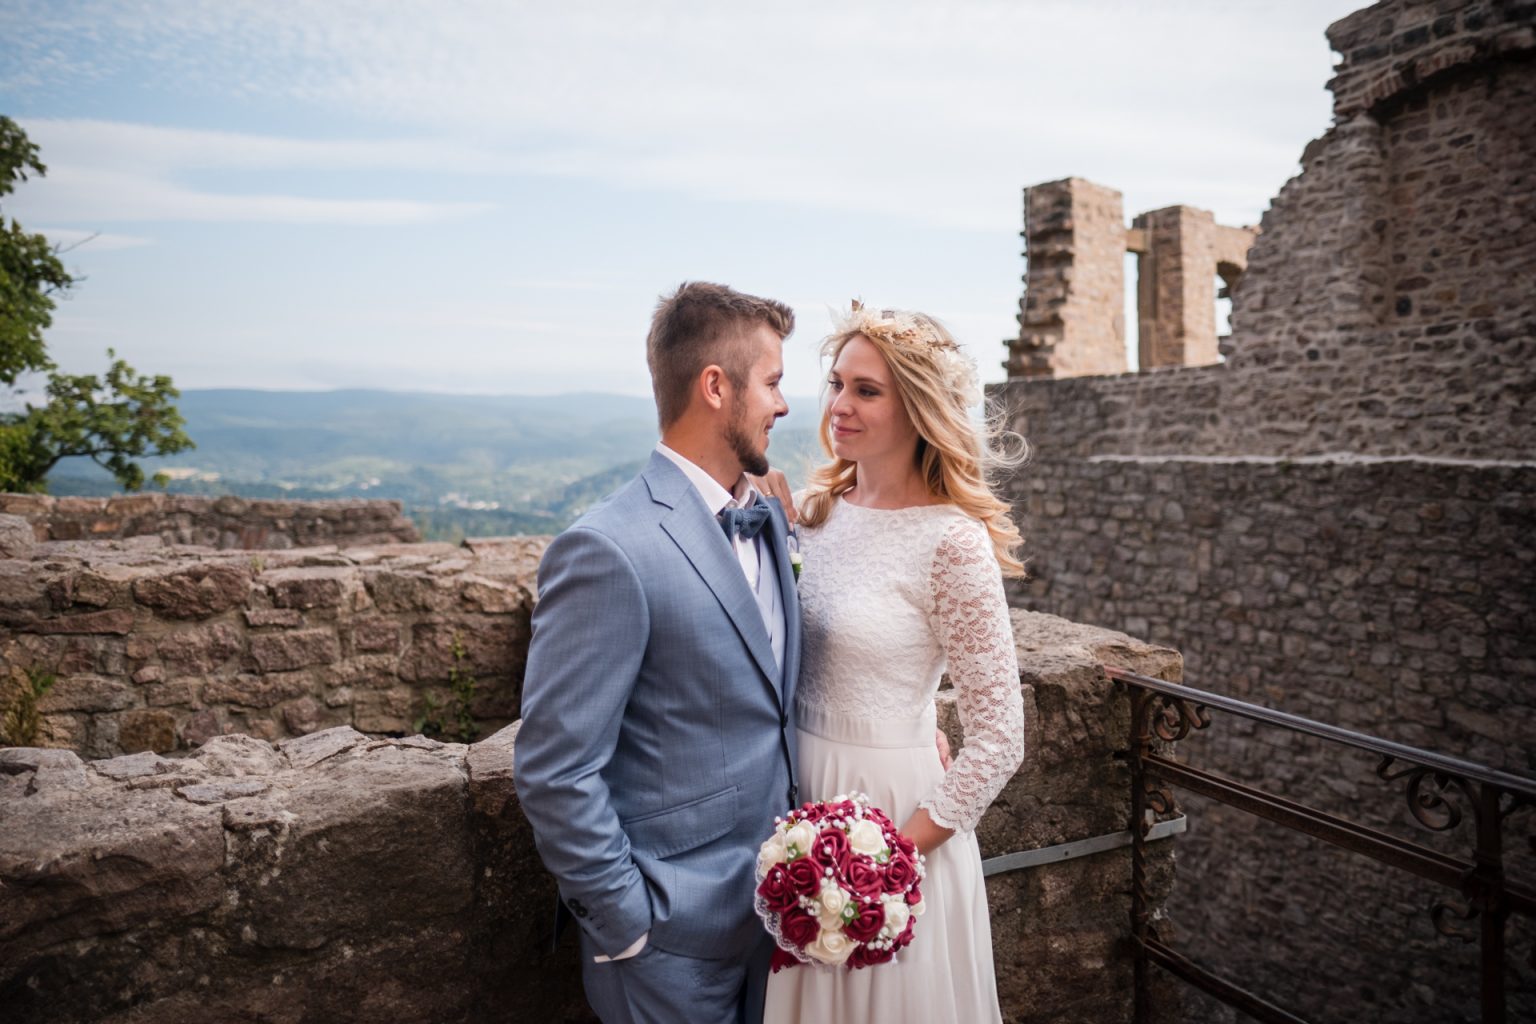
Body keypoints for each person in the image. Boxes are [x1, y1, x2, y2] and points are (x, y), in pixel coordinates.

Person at [760, 303, 1027, 1023]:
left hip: (892, 826)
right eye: (837, 383)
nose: (839, 405)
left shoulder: (952, 544)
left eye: (867, 390)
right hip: (796, 799)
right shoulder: (818, 514)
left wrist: (881, 860)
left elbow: (1002, 738)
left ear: (919, 410)